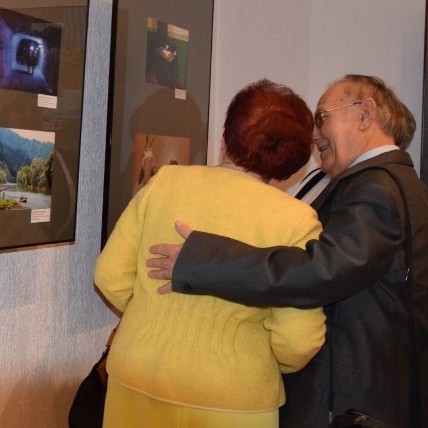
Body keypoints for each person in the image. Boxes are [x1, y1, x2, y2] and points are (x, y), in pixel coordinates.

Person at [147, 74, 428, 427]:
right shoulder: (403, 184)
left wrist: (203, 259)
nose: (314, 135)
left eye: (322, 117)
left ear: (365, 114)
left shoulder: (376, 188)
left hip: (347, 403)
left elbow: (318, 271)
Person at [94, 80, 327, 427]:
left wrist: (153, 318)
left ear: (224, 138)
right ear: (294, 164)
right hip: (233, 398)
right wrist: (255, 357)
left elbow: (109, 276)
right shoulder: (295, 221)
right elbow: (298, 340)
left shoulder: (165, 183)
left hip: (137, 378)